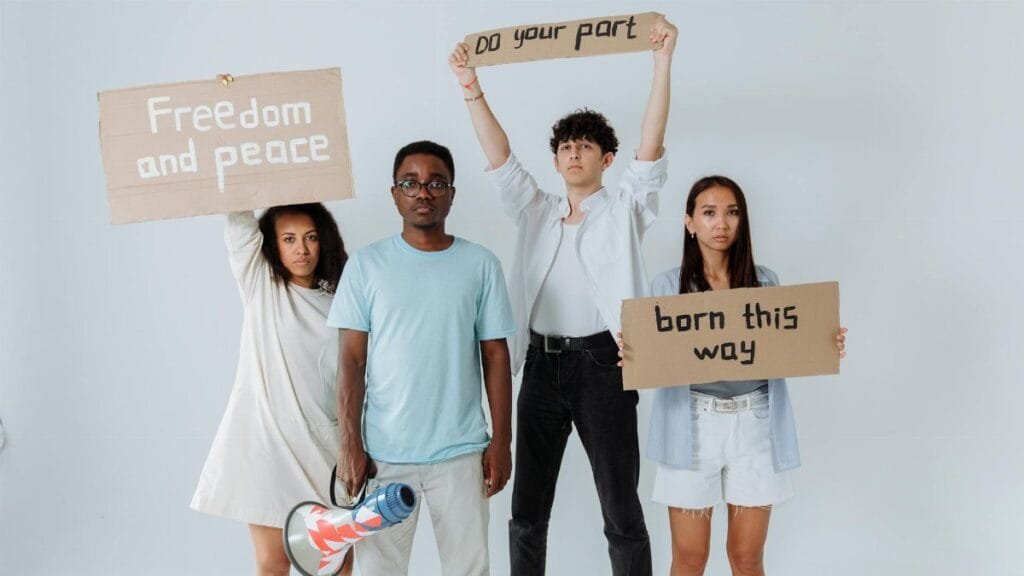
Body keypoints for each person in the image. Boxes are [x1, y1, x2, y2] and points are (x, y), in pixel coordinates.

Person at [449, 15, 677, 576]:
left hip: (604, 363)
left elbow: (651, 150)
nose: (575, 154)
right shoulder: (537, 211)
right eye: (567, 147)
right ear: (556, 161)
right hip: (541, 367)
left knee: (621, 512)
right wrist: (472, 88)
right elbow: (500, 160)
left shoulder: (625, 209)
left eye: (587, 147)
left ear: (606, 160)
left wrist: (662, 61)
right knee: (527, 511)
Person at [633, 175, 847, 576]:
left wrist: (821, 340)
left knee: (747, 558)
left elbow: (785, 343)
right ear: (689, 222)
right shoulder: (667, 285)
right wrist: (634, 350)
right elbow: (653, 355)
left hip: (756, 423)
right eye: (709, 213)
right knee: (690, 558)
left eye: (732, 213)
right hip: (692, 424)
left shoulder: (765, 282)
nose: (721, 224)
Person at [329, 141, 516, 576]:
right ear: (394, 193)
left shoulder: (480, 264)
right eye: (410, 183)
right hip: (384, 454)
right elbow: (351, 362)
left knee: (469, 569)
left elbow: (496, 356)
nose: (423, 193)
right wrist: (350, 443)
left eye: (436, 183)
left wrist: (502, 442)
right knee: (379, 570)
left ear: (452, 193)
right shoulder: (366, 265)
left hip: (460, 451)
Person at [191, 204, 353, 576]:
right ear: (273, 246)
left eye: (310, 238)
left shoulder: (340, 305)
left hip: (324, 450)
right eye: (289, 239)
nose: (302, 249)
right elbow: (238, 222)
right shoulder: (262, 287)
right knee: (273, 563)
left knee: (337, 565)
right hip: (268, 450)